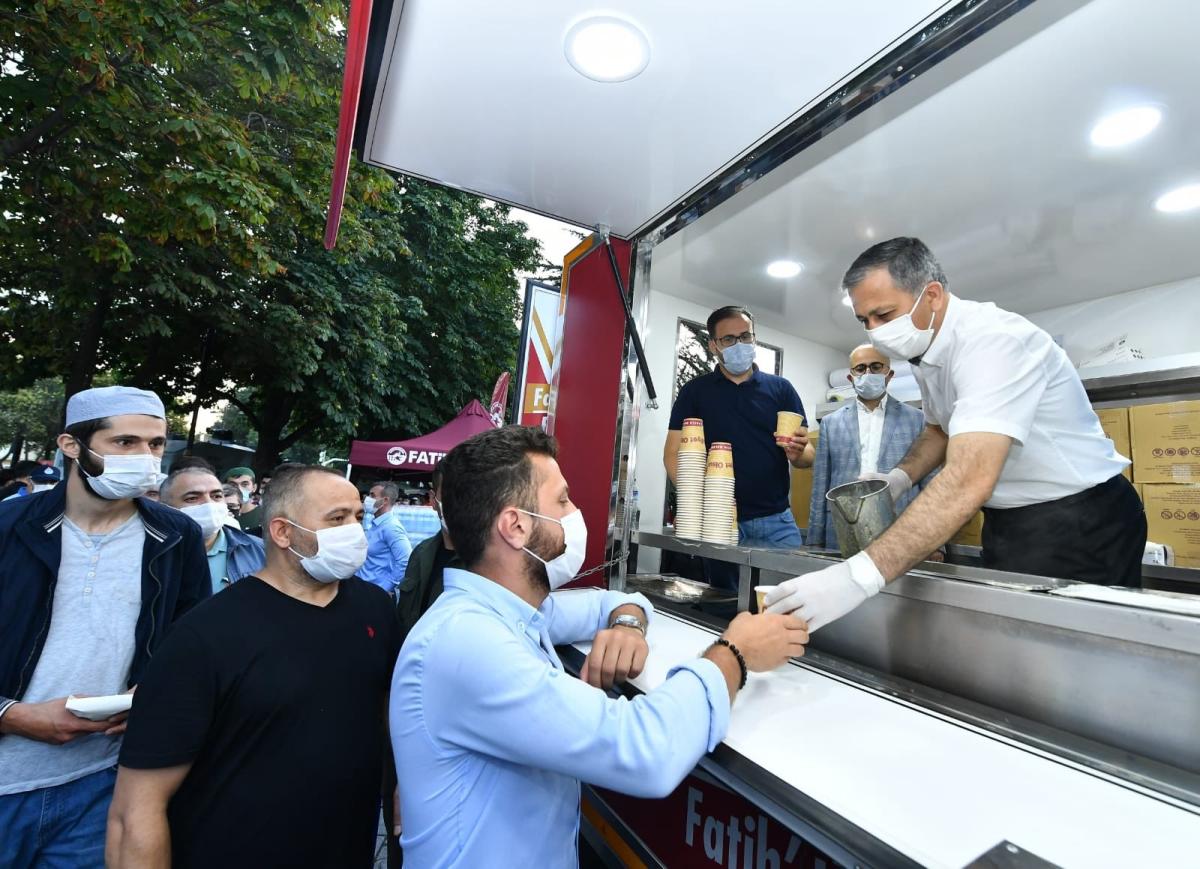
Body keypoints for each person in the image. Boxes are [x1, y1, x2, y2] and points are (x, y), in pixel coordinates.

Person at [391, 426, 808, 867]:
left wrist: (627, 625)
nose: (576, 513)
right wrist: (736, 653)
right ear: (516, 526)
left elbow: (612, 602)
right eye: (563, 501)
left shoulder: (506, 611)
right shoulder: (468, 642)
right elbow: (647, 749)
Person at [766, 237, 1144, 631]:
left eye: (883, 314)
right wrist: (899, 477)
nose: (875, 332)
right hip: (1011, 521)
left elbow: (967, 479)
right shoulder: (929, 354)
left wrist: (857, 577)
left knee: (1070, 650)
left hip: (1079, 519)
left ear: (931, 295)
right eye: (864, 321)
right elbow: (938, 429)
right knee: (1017, 644)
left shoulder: (992, 343)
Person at [106, 464, 398, 869]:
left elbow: (388, 716)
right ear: (282, 532)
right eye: (337, 519)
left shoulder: (377, 610)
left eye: (358, 517)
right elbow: (136, 807)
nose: (355, 531)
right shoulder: (205, 634)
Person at [0, 386, 209, 868]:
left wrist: (152, 698)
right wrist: (12, 715)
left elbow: (187, 643)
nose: (145, 457)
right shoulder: (8, 529)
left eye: (156, 444)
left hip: (100, 787)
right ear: (72, 446)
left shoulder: (176, 537)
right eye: (125, 443)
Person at [806, 344, 931, 549]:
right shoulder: (830, 423)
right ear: (850, 377)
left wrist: (935, 543)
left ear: (889, 374)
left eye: (875, 367)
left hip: (901, 526)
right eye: (860, 368)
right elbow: (820, 486)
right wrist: (815, 539)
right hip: (843, 526)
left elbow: (929, 483)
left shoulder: (917, 420)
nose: (867, 373)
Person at [160, 466, 265, 594]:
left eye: (216, 496)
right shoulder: (150, 551)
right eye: (192, 498)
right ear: (165, 508)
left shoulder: (258, 551)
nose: (209, 504)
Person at [360, 481, 412, 596]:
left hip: (375, 593)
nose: (367, 499)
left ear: (385, 501)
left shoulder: (391, 527)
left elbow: (405, 560)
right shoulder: (375, 524)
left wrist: (384, 588)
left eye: (372, 495)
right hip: (364, 589)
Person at [223, 466, 261, 534]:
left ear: (254, 487)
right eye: (233, 485)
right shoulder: (217, 514)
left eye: (245, 484)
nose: (239, 489)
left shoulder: (264, 515)